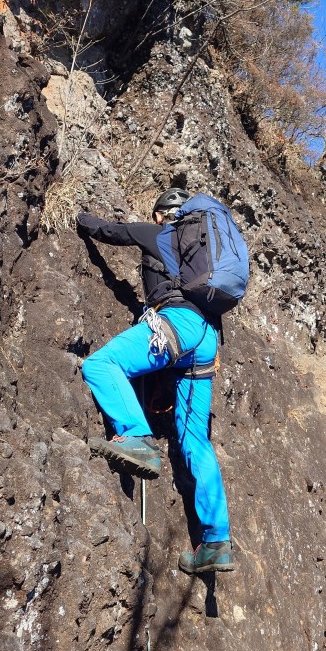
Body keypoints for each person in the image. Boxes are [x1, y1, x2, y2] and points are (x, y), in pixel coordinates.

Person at [76, 188, 234, 575]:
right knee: (195, 440)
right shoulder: (204, 257)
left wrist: (79, 219)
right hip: (206, 340)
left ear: (162, 214)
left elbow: (112, 231)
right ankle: (217, 542)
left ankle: (136, 436)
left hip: (175, 324)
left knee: (101, 364)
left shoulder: (160, 232)